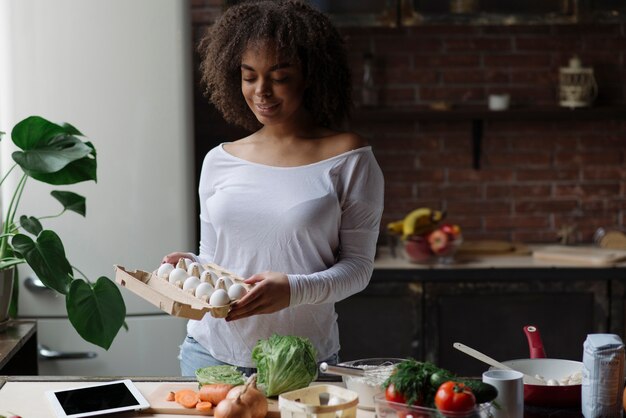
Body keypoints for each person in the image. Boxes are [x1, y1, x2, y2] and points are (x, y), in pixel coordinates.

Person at [162, 0, 385, 376]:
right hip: (210, 353)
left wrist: (293, 290)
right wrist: (192, 269)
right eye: (249, 76)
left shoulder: (349, 157)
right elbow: (215, 257)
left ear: (310, 75)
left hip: (301, 361)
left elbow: (359, 268)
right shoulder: (220, 159)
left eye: (279, 77)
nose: (262, 91)